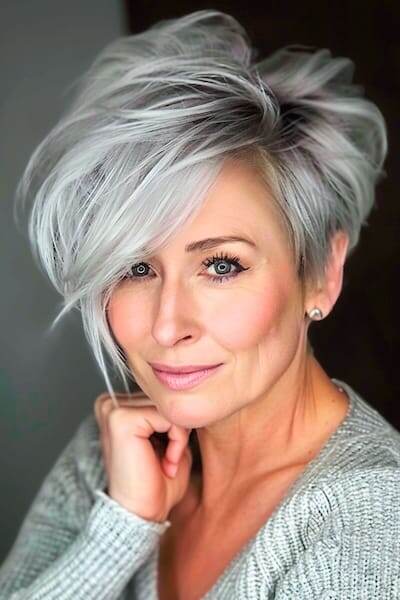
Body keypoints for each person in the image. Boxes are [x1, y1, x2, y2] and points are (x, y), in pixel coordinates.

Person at [1, 8, 399, 600]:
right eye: (136, 268)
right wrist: (122, 526)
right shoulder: (112, 451)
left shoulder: (369, 525)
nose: (168, 326)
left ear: (320, 274)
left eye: (221, 266)